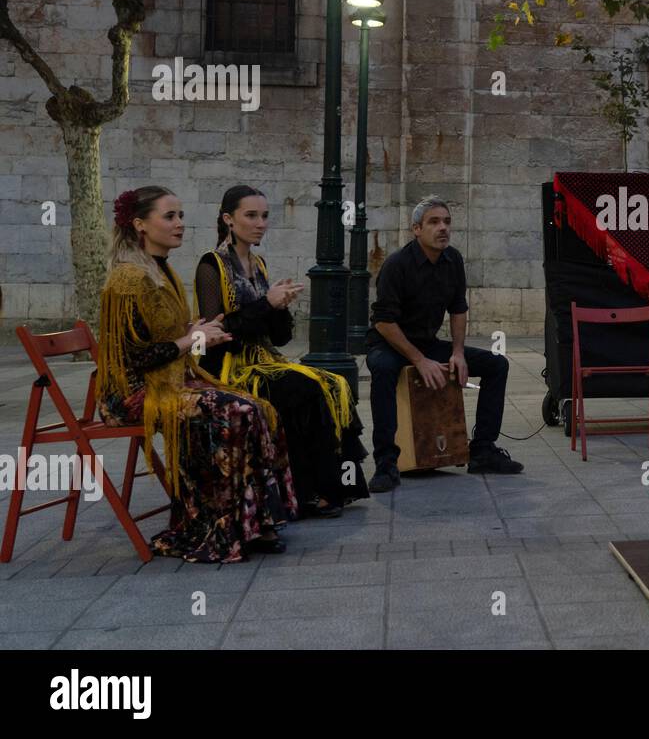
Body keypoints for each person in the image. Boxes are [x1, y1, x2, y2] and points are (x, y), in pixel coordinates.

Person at [97, 186, 296, 562]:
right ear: (140, 224)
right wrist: (193, 340)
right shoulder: (128, 279)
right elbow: (134, 358)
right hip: (130, 395)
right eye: (169, 217)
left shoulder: (161, 269)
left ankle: (250, 522)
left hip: (167, 379)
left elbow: (176, 342)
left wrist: (202, 336)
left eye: (181, 216)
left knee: (256, 404)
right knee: (233, 411)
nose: (180, 224)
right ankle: (213, 527)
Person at [195, 185, 370, 517]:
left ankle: (335, 486)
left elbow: (279, 339)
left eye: (264, 216)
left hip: (265, 360)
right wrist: (266, 304)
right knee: (302, 389)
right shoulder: (211, 265)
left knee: (334, 383)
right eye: (251, 216)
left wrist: (280, 307)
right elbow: (218, 330)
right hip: (230, 366)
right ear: (229, 220)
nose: (260, 223)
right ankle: (305, 494)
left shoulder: (258, 264)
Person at [365, 196, 523, 492]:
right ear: (416, 229)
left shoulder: (453, 260)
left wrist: (458, 352)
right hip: (388, 344)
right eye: (434, 222)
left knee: (496, 365)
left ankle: (483, 450)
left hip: (427, 343)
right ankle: (386, 463)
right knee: (384, 371)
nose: (443, 228)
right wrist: (419, 360)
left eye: (447, 222)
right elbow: (383, 322)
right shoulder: (397, 264)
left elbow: (458, 308)